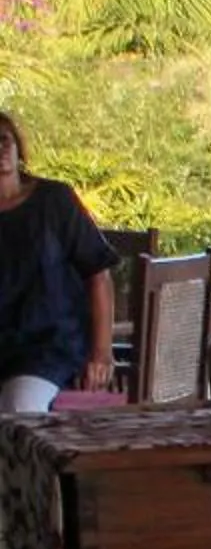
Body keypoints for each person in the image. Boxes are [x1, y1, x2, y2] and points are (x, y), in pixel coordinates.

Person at [0, 111, 119, 414]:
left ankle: (26, 462)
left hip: (47, 347)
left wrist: (102, 353)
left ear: (17, 148)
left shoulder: (54, 201)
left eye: (4, 140)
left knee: (20, 407)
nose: (0, 150)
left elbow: (98, 274)